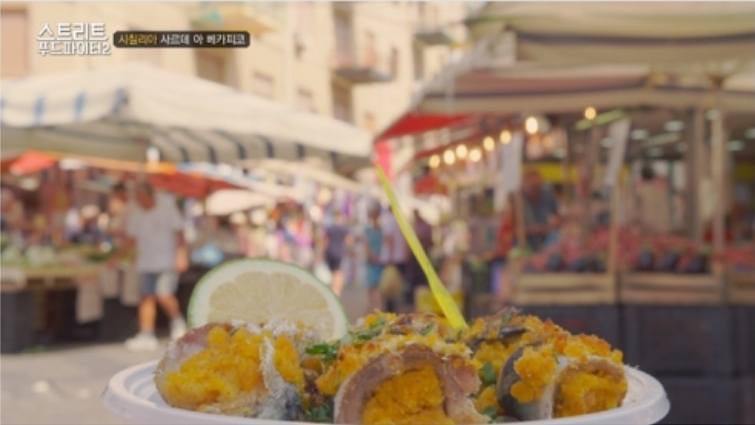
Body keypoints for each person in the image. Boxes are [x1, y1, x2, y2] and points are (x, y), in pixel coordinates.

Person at [108, 182, 188, 352]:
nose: (137, 200)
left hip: (166, 260)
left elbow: (180, 232)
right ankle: (146, 334)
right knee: (146, 297)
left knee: (164, 294)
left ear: (149, 195)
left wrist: (181, 255)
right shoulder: (136, 213)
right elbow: (131, 239)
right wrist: (117, 258)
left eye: (139, 196)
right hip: (146, 262)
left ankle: (178, 323)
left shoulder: (167, 207)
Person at [521, 169, 561, 251]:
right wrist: (533, 230)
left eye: (538, 186)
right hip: (525, 243)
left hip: (546, 240)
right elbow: (512, 230)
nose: (536, 190)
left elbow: (558, 217)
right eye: (532, 186)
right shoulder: (518, 200)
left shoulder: (547, 196)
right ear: (525, 185)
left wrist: (555, 223)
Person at [380, 208, 408, 312]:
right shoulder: (401, 222)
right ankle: (396, 308)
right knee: (398, 285)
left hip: (392, 259)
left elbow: (389, 240)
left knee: (389, 286)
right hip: (400, 257)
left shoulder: (389, 222)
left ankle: (390, 309)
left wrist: (390, 257)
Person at [633, 165, 671, 236]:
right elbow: (666, 213)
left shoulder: (640, 192)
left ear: (642, 177)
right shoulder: (660, 192)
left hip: (647, 230)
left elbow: (635, 212)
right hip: (662, 230)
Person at [405, 209, 433, 306]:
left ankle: (423, 298)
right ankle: (414, 299)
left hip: (423, 253)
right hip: (414, 255)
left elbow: (430, 241)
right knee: (413, 278)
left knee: (422, 277)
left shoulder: (425, 225)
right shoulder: (413, 225)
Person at [322, 211, 351, 296]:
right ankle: (336, 291)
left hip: (330, 252)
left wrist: (324, 253)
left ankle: (333, 289)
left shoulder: (330, 228)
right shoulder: (344, 228)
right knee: (339, 272)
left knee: (333, 272)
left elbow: (326, 241)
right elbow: (349, 240)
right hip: (339, 252)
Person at [363, 204, 384, 312]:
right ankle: (371, 307)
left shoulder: (381, 230)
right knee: (370, 287)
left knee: (378, 287)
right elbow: (366, 246)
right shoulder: (368, 230)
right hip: (371, 261)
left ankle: (377, 308)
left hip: (379, 261)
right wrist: (372, 256)